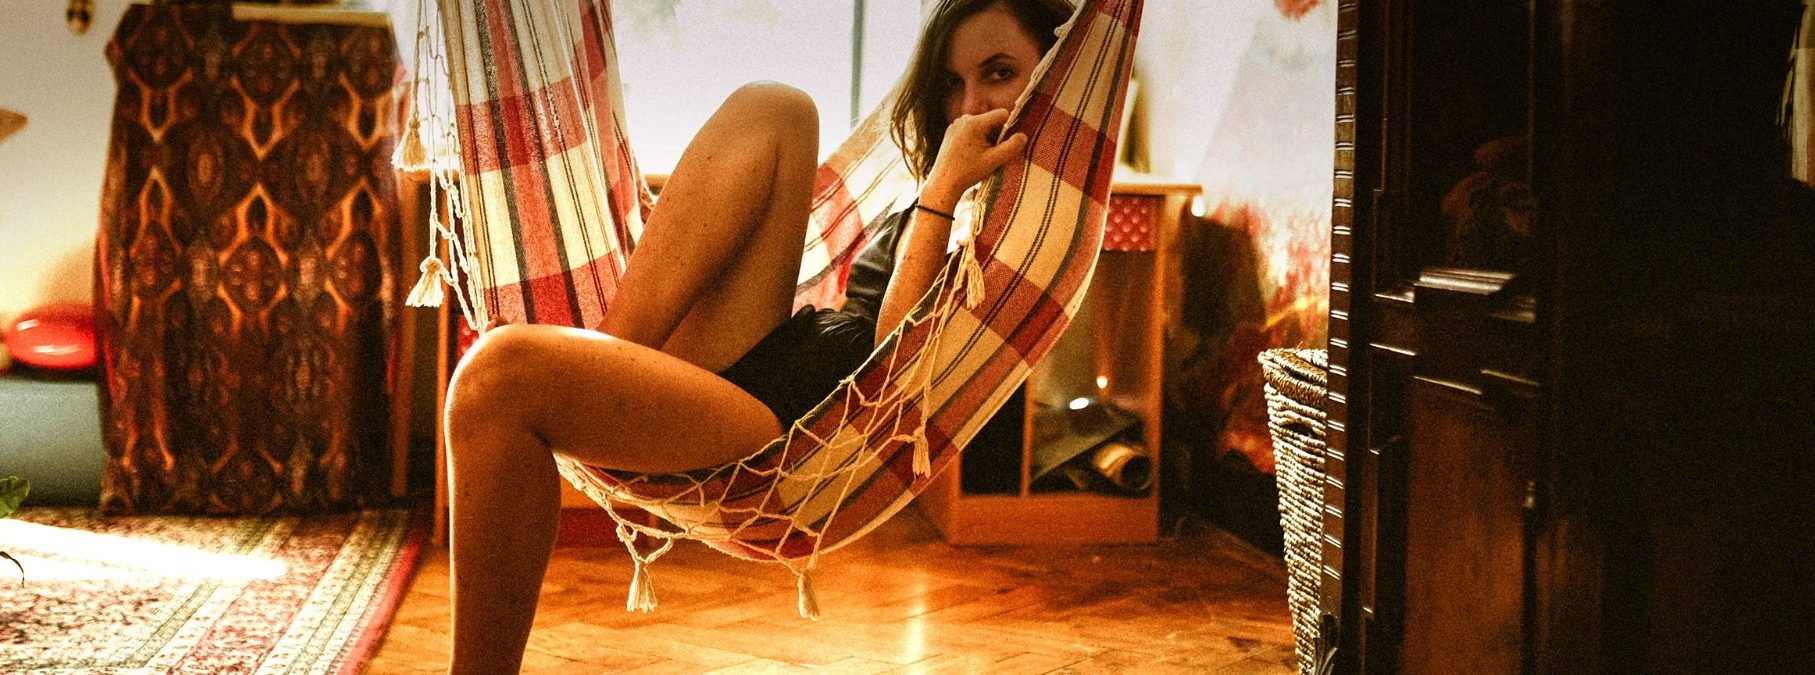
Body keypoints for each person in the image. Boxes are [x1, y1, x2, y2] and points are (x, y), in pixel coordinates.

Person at [439, 0, 1073, 671]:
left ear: (1056, 77)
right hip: (777, 357)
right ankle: (610, 352)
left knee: (495, 378)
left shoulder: (1019, 218)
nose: (968, 108)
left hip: (799, 426)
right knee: (778, 108)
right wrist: (938, 192)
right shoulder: (960, 192)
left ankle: (595, 364)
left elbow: (896, 375)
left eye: (997, 73)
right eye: (951, 83)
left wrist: (940, 194)